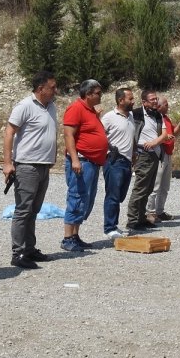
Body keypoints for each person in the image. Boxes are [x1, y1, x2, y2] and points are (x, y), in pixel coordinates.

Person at [2, 71, 59, 270]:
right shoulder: (25, 106)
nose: (55, 91)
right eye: (52, 87)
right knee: (23, 210)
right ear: (40, 88)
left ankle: (30, 248)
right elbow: (9, 132)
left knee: (34, 210)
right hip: (27, 165)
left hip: (44, 165)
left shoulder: (51, 107)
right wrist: (7, 163)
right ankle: (18, 253)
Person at [61, 79, 107, 252]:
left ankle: (75, 235)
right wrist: (74, 159)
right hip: (82, 161)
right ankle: (67, 238)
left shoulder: (90, 110)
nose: (100, 96)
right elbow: (68, 135)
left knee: (85, 199)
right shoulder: (76, 108)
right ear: (88, 94)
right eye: (98, 93)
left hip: (92, 162)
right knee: (77, 196)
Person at [126, 90, 169, 231]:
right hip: (142, 154)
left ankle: (141, 218)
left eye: (156, 99)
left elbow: (164, 134)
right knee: (140, 188)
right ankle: (132, 220)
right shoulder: (135, 114)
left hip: (155, 155)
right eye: (152, 100)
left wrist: (155, 142)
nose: (155, 102)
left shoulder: (158, 115)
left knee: (149, 188)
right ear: (144, 102)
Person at [102, 88, 136, 239]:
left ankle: (114, 225)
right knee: (113, 195)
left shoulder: (131, 117)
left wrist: (134, 154)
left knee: (120, 195)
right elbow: (99, 136)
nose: (133, 101)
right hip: (114, 161)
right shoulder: (109, 117)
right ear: (121, 100)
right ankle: (109, 228)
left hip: (127, 161)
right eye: (130, 98)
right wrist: (108, 151)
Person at [146, 96, 178, 223]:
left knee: (165, 185)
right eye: (166, 104)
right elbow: (153, 135)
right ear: (159, 106)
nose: (168, 106)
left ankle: (160, 210)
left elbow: (173, 132)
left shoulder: (166, 119)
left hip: (168, 154)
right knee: (156, 184)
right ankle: (150, 211)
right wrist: (164, 137)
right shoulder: (155, 119)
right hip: (160, 153)